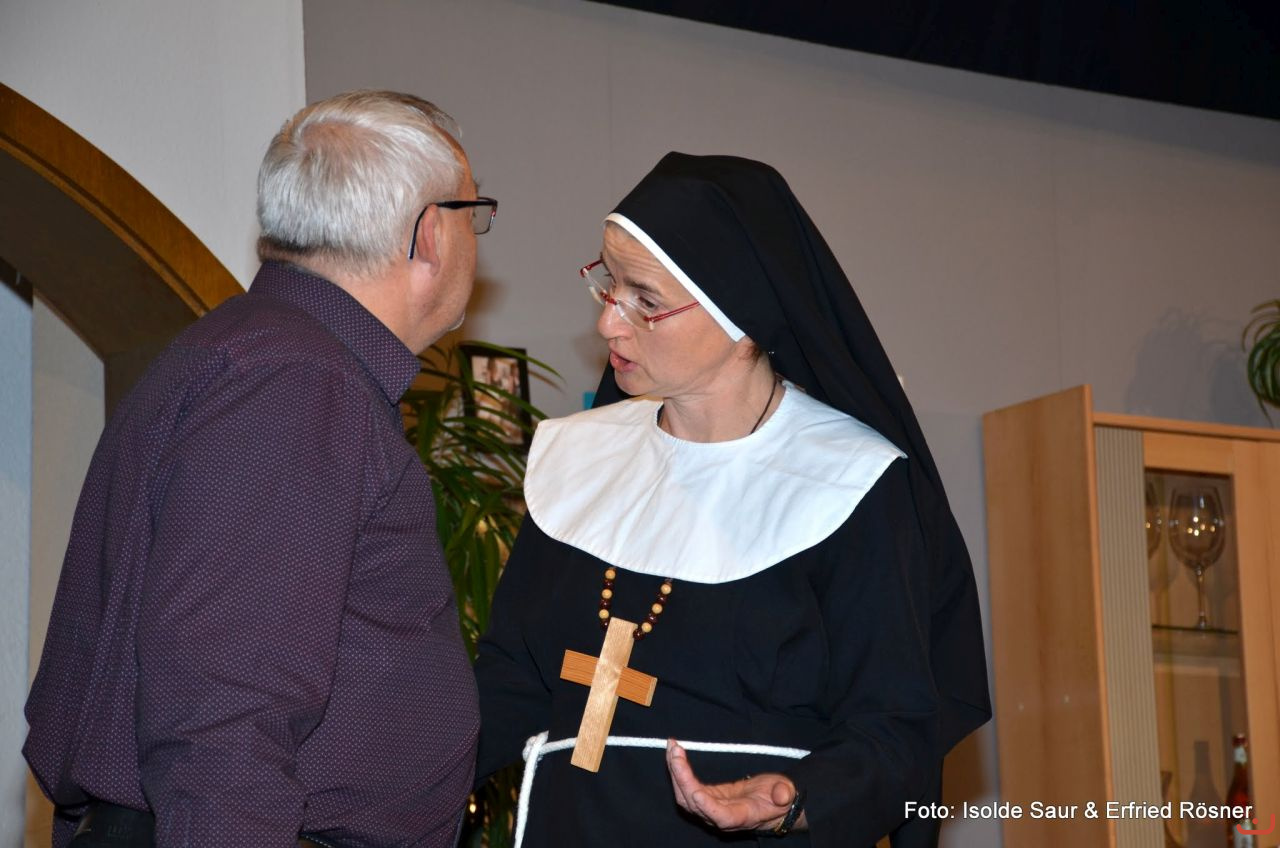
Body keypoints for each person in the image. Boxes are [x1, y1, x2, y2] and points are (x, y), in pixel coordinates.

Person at [474, 153, 990, 847]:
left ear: (739, 312)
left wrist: (797, 797)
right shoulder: (579, 459)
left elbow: (895, 729)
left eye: (645, 300)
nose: (608, 325)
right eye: (608, 284)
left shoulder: (850, 483)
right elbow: (510, 680)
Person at [24, 90, 497, 847]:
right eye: (476, 212)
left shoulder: (257, 353)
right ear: (431, 233)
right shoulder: (298, 381)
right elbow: (223, 710)